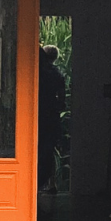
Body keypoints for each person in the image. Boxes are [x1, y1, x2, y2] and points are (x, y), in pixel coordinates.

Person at [38, 44, 66, 192]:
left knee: (39, 148)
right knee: (50, 150)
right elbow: (62, 99)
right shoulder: (57, 75)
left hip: (40, 115)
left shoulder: (39, 74)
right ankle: (51, 182)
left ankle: (38, 181)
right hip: (52, 116)